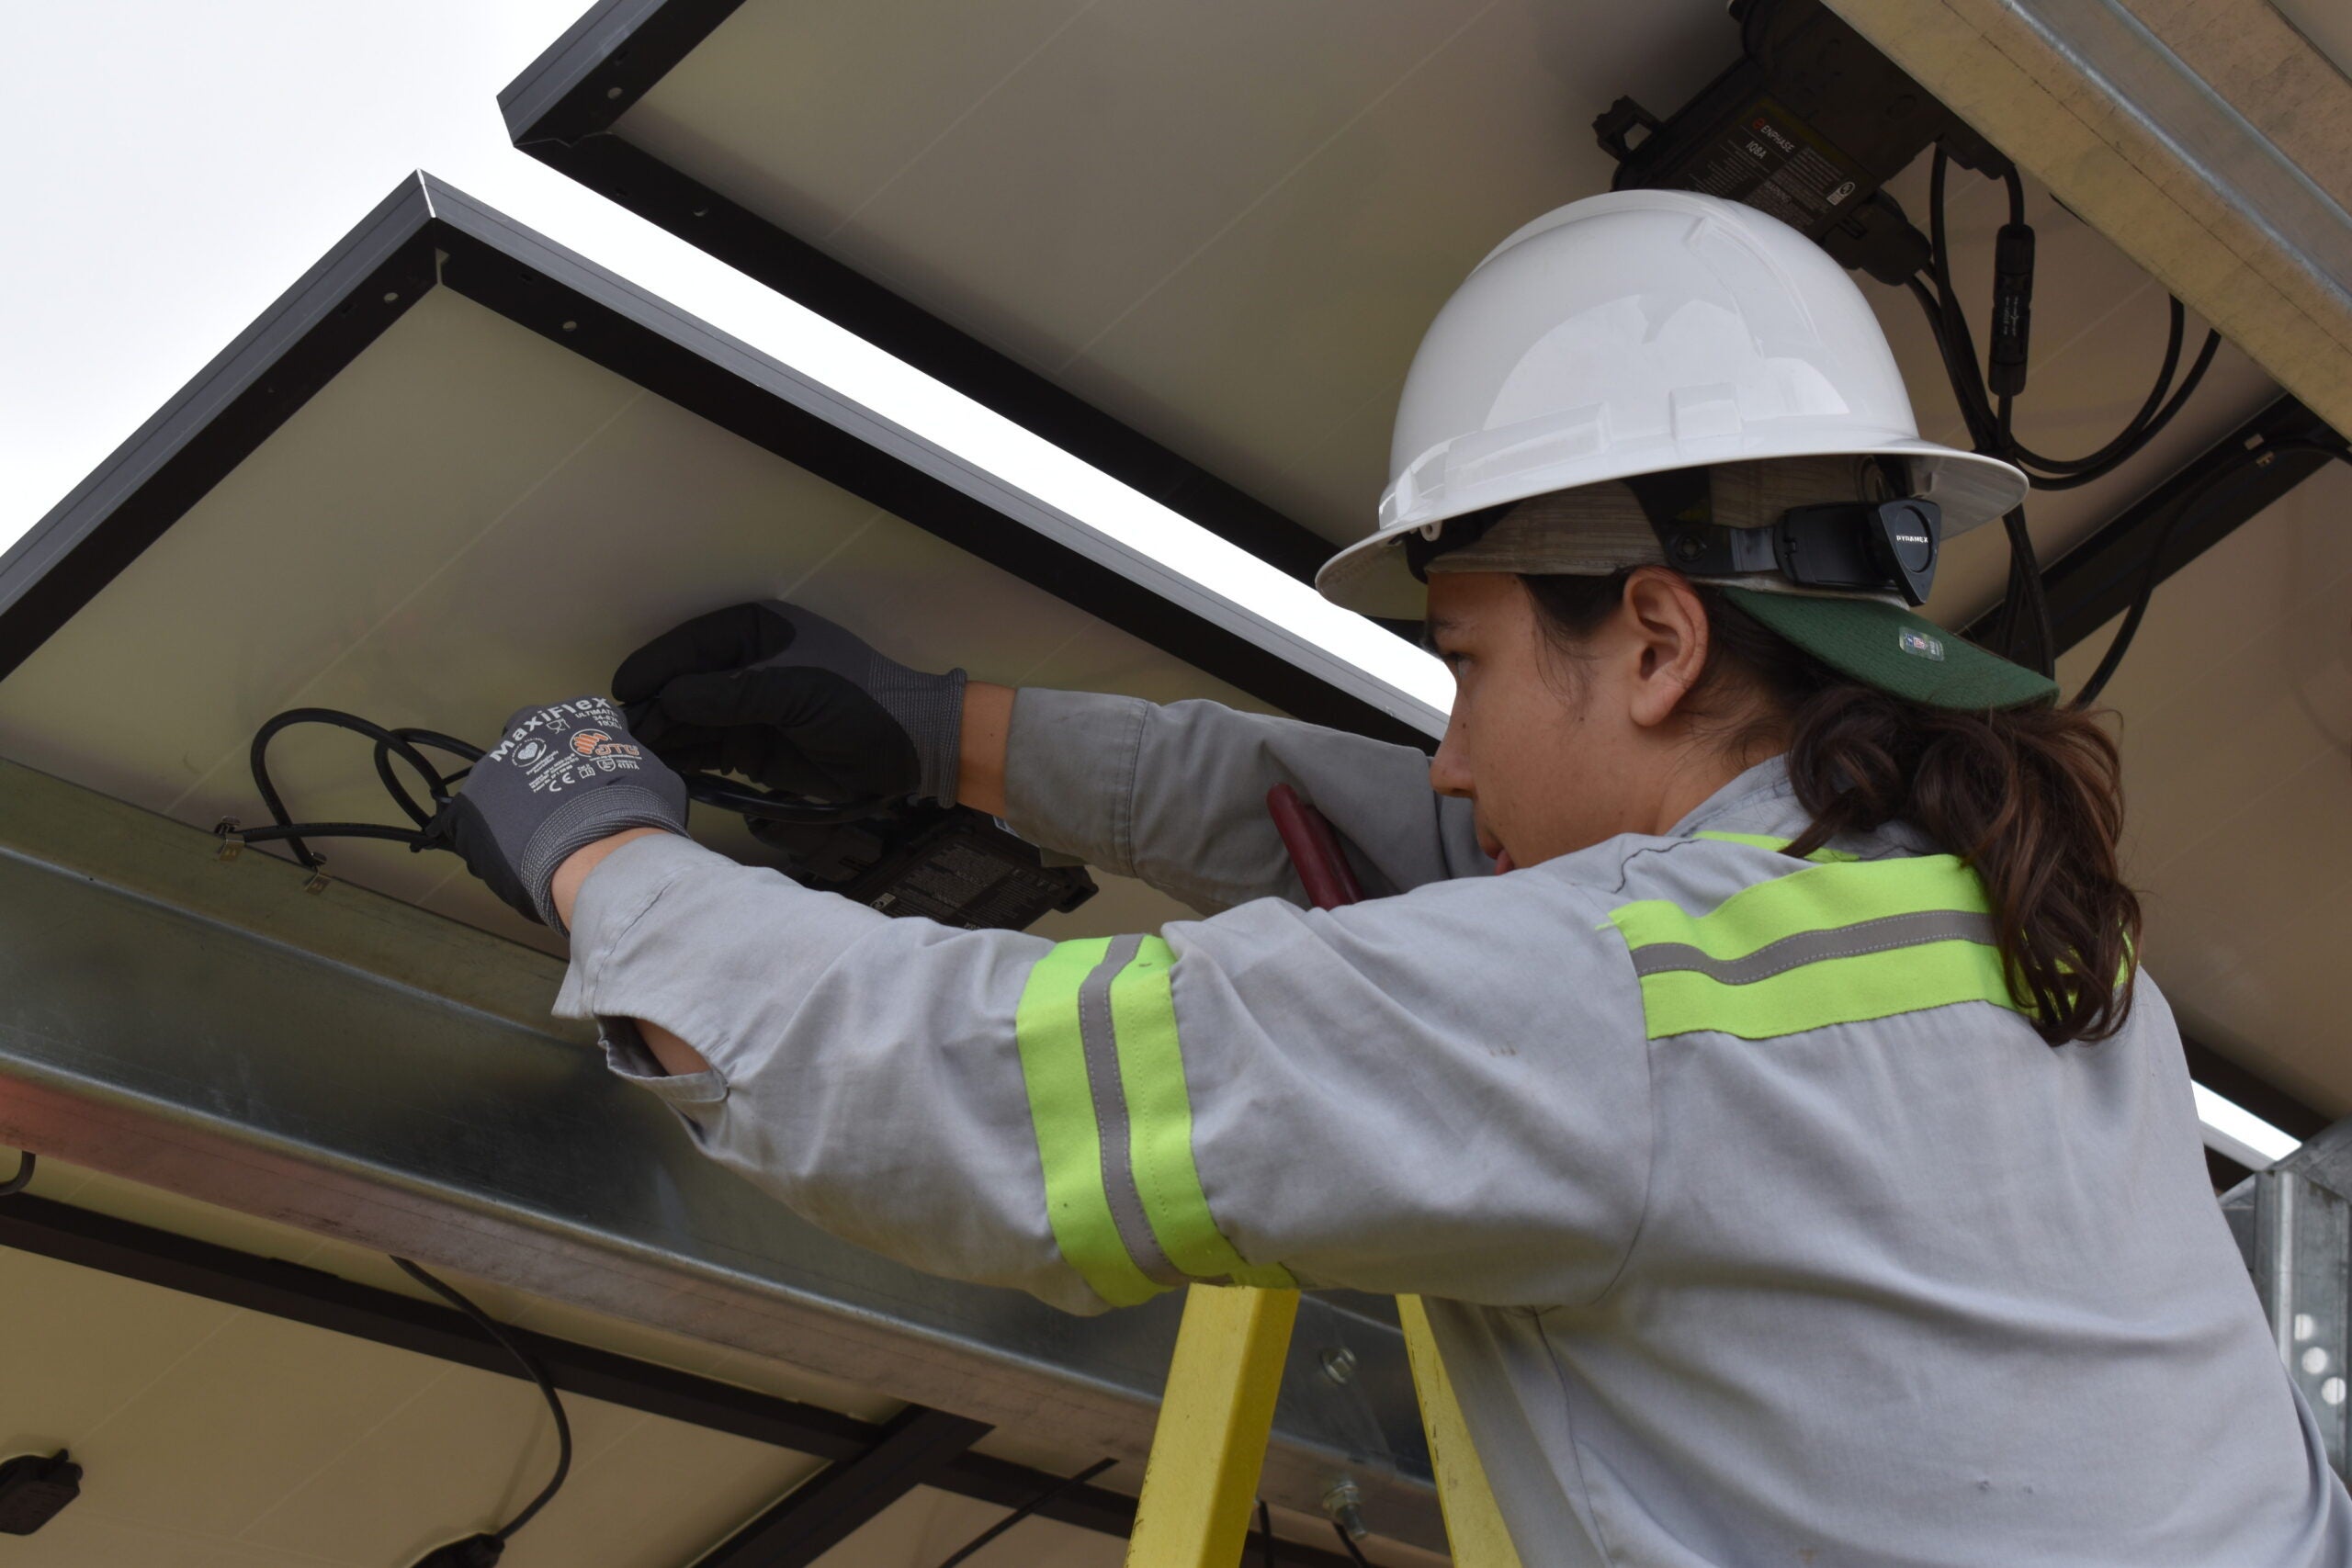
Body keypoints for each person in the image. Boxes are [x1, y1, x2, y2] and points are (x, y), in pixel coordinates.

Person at [430, 191, 2350, 1564]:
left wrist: (600, 846)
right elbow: (1419, 845)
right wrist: (940, 729)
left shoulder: (1633, 1004)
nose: (1446, 745)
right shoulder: (1988, 933)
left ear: (1661, 641)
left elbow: (970, 1090)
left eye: (1465, 663)